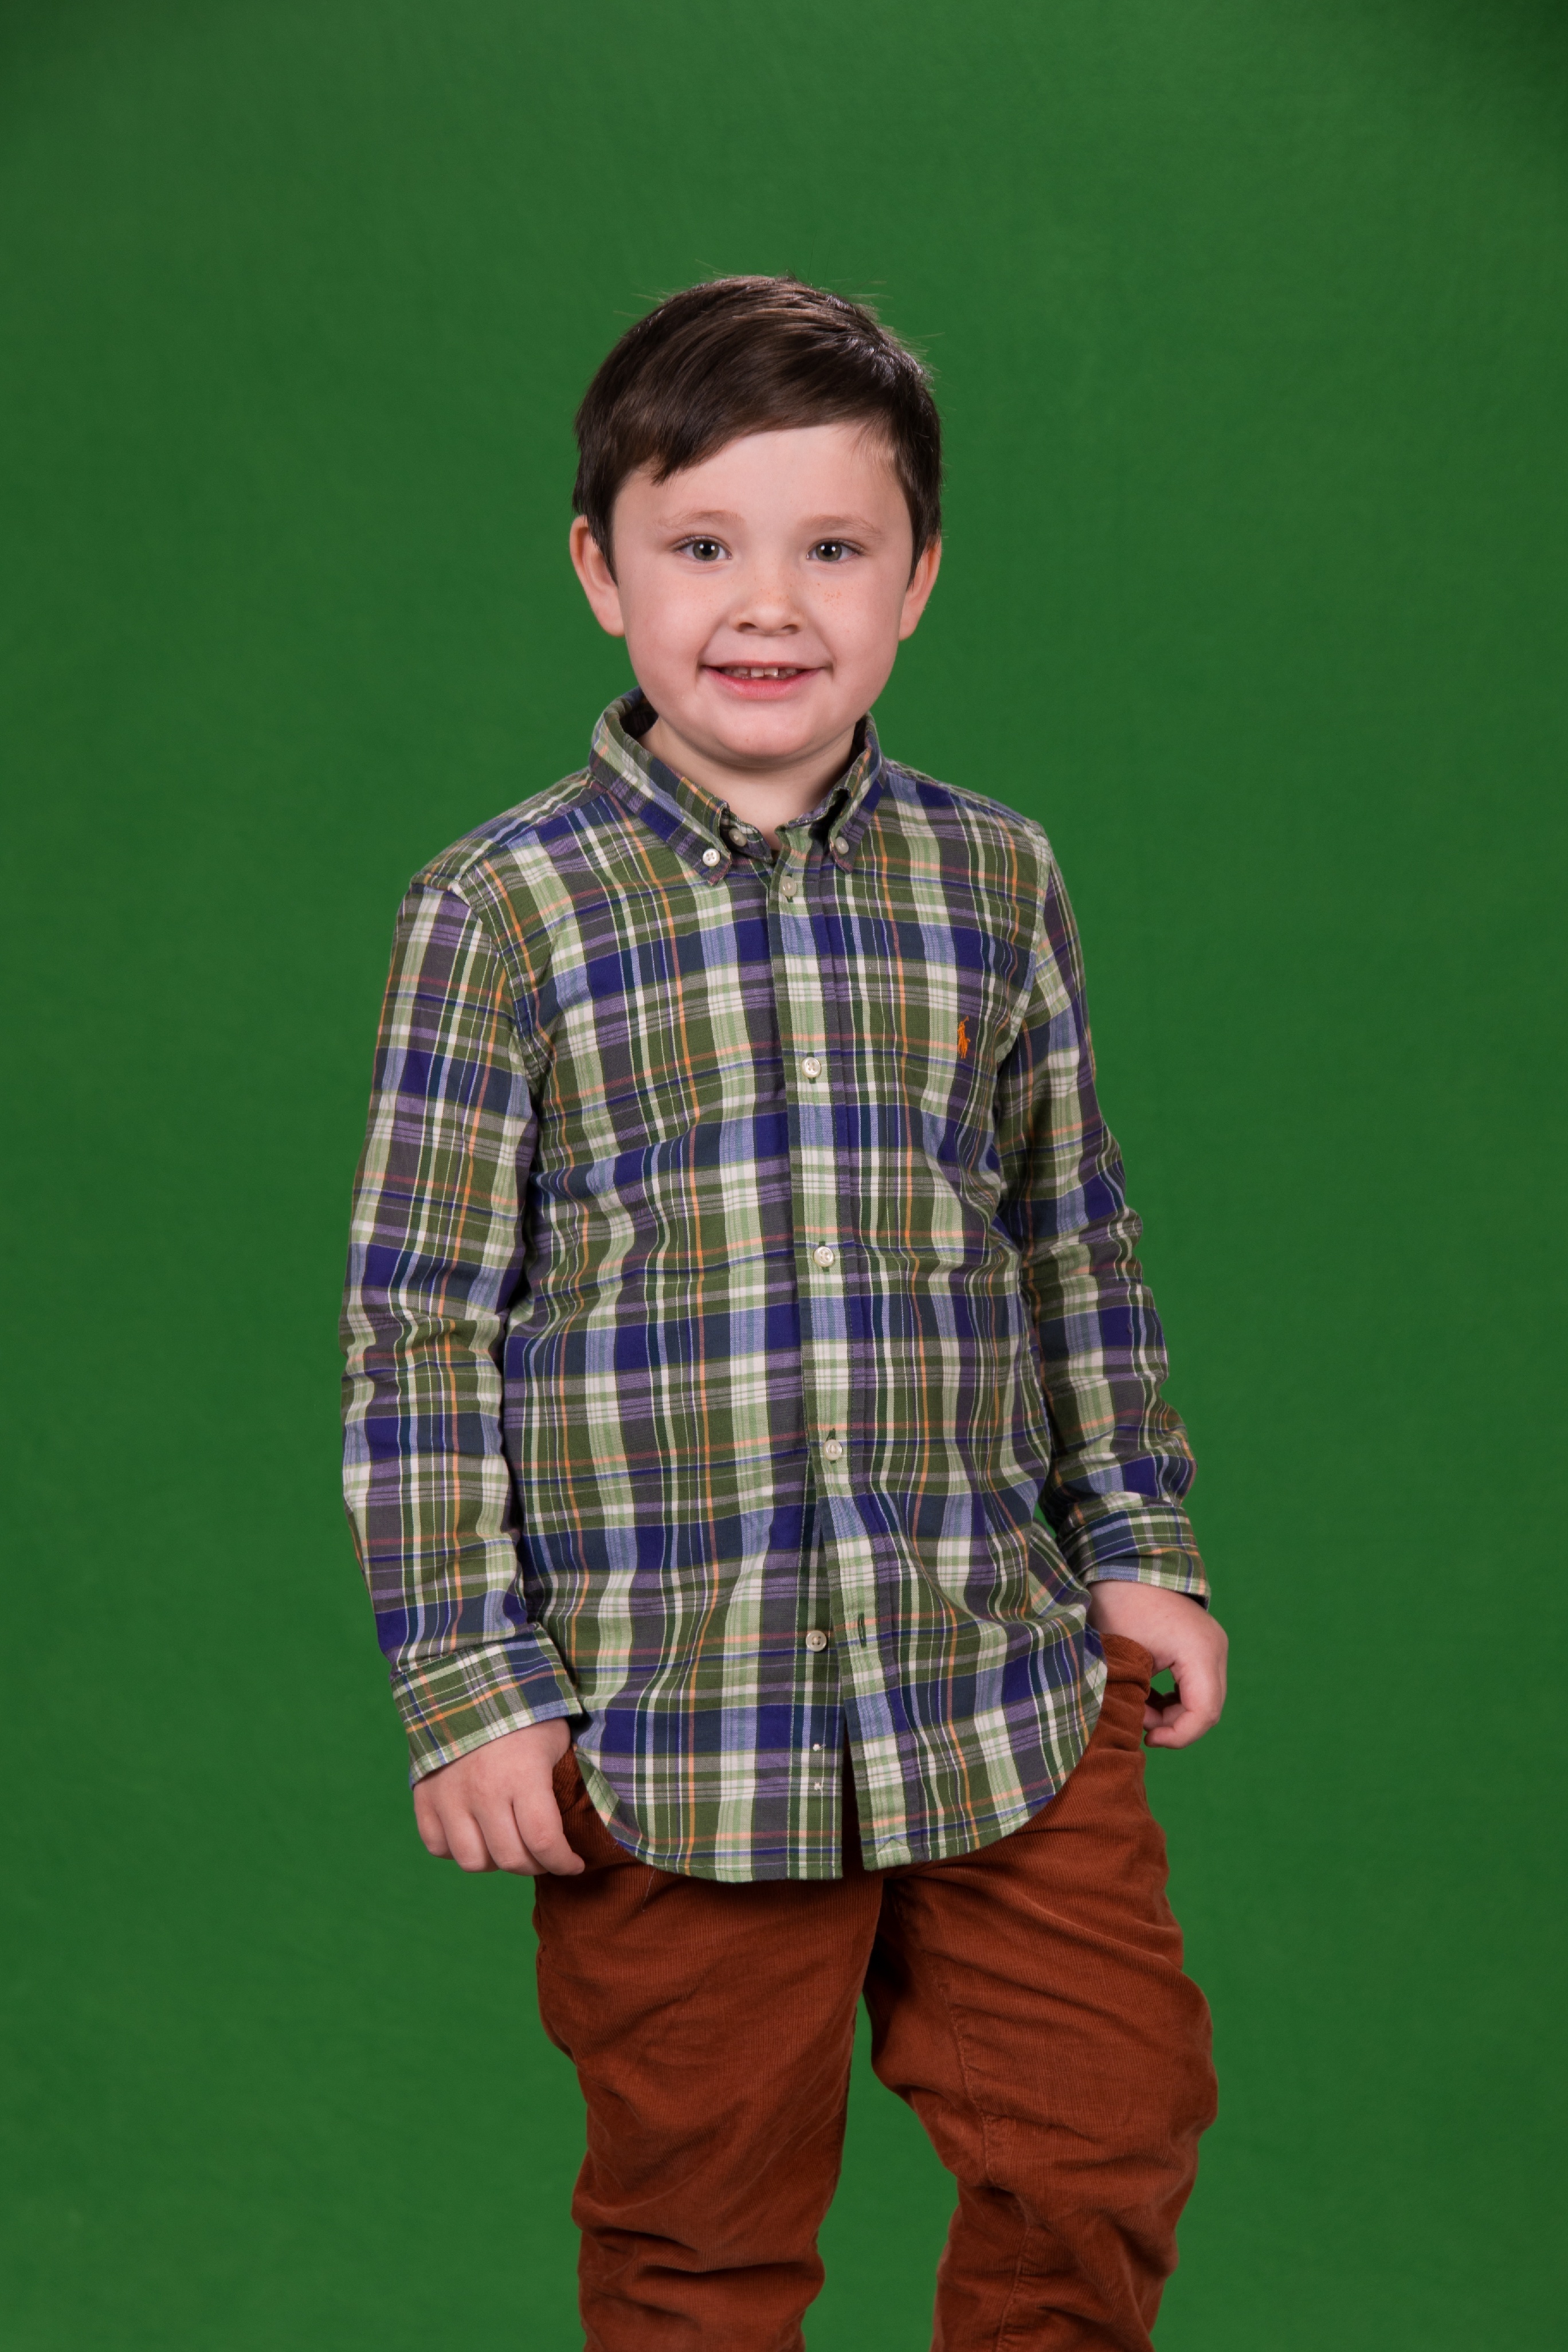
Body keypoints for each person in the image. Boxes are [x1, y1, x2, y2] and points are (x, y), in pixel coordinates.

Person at [341, 275, 1226, 2351]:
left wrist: (1141, 1545)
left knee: (1102, 2136)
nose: (768, 604)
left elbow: (1071, 1238)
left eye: (834, 547)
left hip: (996, 1681)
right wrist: (470, 1682)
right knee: (700, 2237)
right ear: (602, 571)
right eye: (703, 544)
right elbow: (420, 1325)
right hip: (676, 1724)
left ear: (918, 578)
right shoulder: (500, 912)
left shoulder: (994, 880)